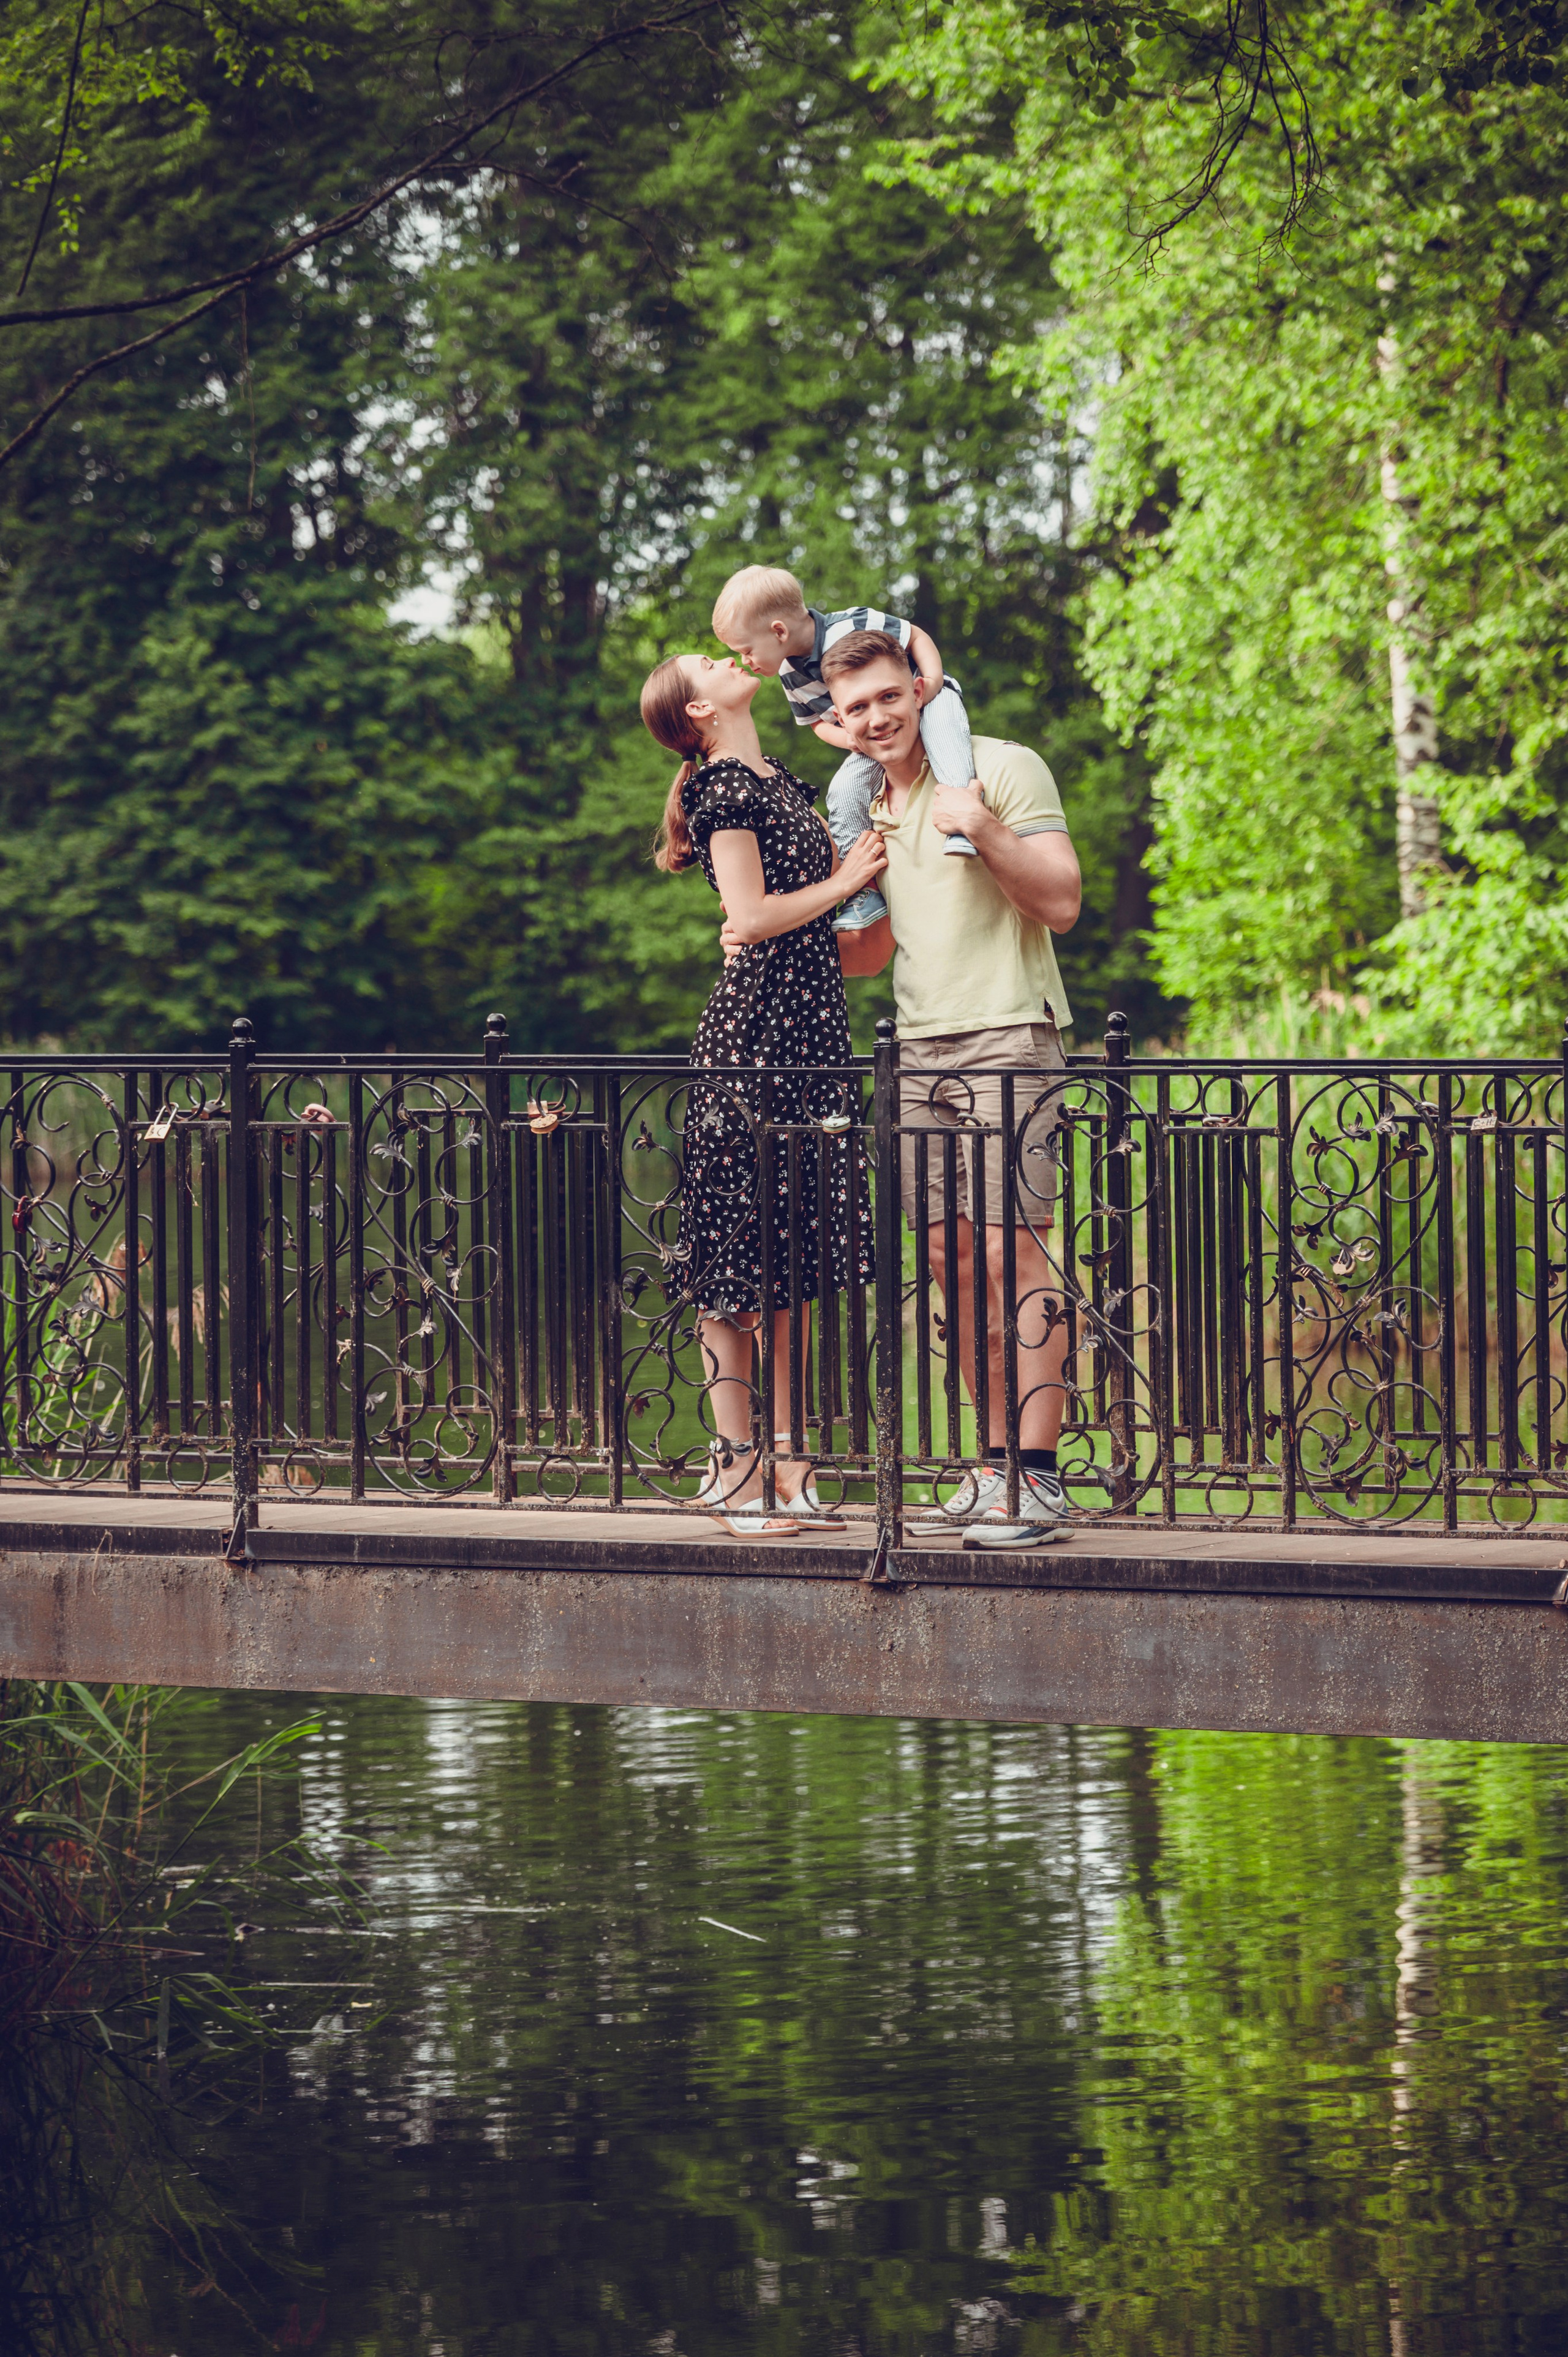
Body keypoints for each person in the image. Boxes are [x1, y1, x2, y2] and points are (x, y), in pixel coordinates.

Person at [807, 628, 1082, 1548]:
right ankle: (994, 1464)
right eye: (856, 709)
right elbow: (875, 950)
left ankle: (1040, 1482)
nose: (877, 718)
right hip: (917, 1051)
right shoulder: (865, 807)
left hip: (1010, 1028)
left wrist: (982, 826)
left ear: (920, 687)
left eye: (889, 696)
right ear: (837, 724)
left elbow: (1062, 902)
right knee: (951, 1266)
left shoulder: (1002, 767)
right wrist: (779, 923)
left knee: (1015, 1258)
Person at [641, 649, 886, 1537]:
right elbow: (747, 916)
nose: (727, 654)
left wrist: (847, 737)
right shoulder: (721, 793)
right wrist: (846, 882)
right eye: (707, 660)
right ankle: (735, 1467)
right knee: (737, 1259)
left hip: (814, 1033)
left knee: (798, 1267)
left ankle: (790, 1463)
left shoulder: (779, 776)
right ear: (701, 708)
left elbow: (815, 901)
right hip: (754, 1039)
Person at [711, 564, 982, 930]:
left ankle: (963, 821)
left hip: (926, 698)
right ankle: (865, 890)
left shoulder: (852, 624)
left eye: (746, 650)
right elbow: (819, 725)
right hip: (870, 737)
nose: (746, 661)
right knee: (844, 789)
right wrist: (850, 739)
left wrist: (931, 680)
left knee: (946, 736)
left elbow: (915, 635)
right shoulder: (791, 675)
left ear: (779, 631)